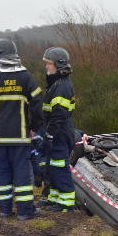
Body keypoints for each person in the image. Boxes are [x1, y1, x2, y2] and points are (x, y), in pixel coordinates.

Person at [0, 38, 44, 221]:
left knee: (1, 173)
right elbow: (37, 104)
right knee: (22, 173)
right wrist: (35, 128)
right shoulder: (26, 77)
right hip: (20, 138)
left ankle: (5, 209)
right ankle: (24, 211)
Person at [40, 47, 77, 212]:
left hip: (60, 132)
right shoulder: (56, 83)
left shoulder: (61, 86)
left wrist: (49, 134)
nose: (46, 67)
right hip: (57, 131)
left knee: (60, 166)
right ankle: (54, 198)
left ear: (57, 65)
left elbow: (59, 115)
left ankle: (66, 203)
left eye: (48, 63)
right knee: (53, 165)